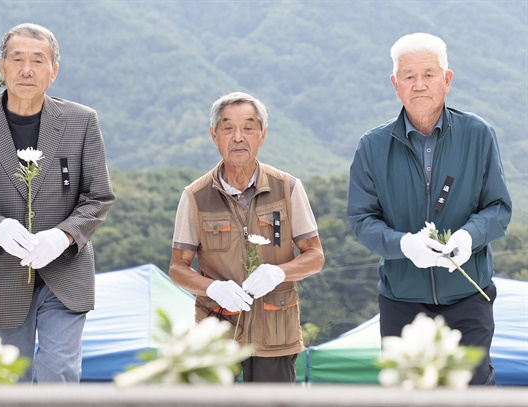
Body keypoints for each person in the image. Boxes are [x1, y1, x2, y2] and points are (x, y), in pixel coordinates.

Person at [0, 23, 115, 383]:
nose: (26, 69)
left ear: (54, 71)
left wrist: (63, 236)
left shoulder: (81, 122)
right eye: (17, 59)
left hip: (65, 270)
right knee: (5, 381)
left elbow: (98, 196)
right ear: (1, 66)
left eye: (38, 60)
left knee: (59, 371)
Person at [347, 33, 512, 385]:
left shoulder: (478, 134)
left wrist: (470, 236)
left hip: (469, 295)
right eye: (408, 76)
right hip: (401, 299)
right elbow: (361, 220)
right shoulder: (372, 146)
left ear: (447, 80)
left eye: (429, 74)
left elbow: (498, 208)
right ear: (395, 84)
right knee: (408, 391)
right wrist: (403, 245)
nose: (419, 84)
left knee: (474, 389)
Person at [169, 91, 325, 383]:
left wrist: (278, 272)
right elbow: (178, 267)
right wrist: (212, 288)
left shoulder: (288, 188)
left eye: (248, 127)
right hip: (216, 335)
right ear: (214, 135)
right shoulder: (194, 196)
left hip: (276, 331)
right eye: (228, 128)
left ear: (262, 135)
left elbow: (315, 256)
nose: (238, 137)